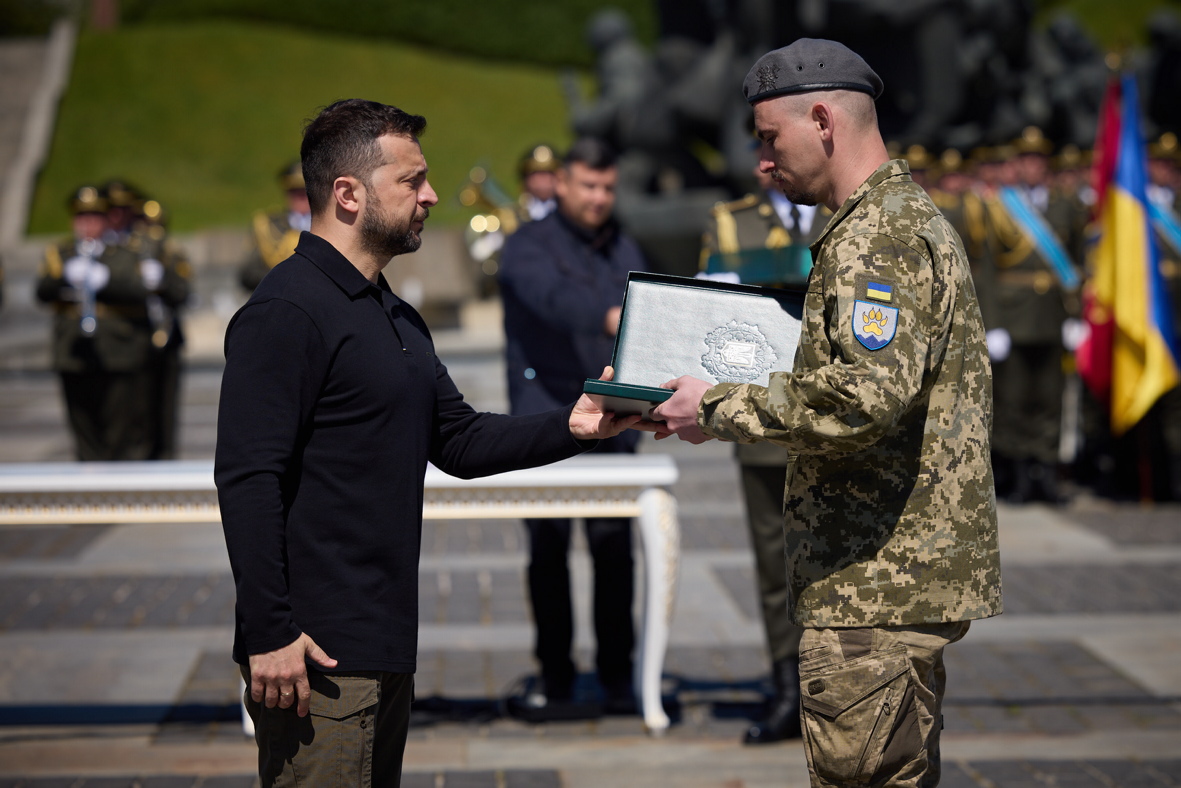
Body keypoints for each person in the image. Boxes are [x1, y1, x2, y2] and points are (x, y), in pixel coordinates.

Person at [215, 99, 638, 788]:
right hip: (313, 654)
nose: (431, 195)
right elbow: (247, 478)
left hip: (382, 641)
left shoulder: (391, 313)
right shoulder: (286, 311)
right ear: (348, 194)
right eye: (412, 181)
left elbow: (460, 439)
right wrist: (268, 634)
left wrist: (575, 422)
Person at [643, 40, 1003, 786]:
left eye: (769, 138)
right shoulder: (882, 222)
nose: (760, 161)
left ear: (821, 119)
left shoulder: (878, 236)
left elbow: (859, 399)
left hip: (873, 583)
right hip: (883, 577)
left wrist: (714, 406)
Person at [497, 137, 646, 720]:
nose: (598, 198)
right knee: (549, 554)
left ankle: (617, 676)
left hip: (613, 422)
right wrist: (611, 313)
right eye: (588, 185)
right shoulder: (527, 246)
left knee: (615, 556)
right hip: (547, 421)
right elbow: (550, 299)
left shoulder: (623, 243)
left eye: (607, 187)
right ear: (561, 183)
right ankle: (555, 675)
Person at [699, 161, 830, 745]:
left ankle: (836, 685)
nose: (767, 163)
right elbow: (716, 313)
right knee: (775, 560)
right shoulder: (730, 224)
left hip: (834, 417)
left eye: (776, 143)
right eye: (760, 149)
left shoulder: (841, 212)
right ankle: (789, 687)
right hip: (760, 412)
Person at [35, 185, 160, 461]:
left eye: (95, 217)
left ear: (106, 220)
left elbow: (142, 290)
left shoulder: (126, 252)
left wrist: (107, 281)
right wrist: (64, 278)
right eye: (81, 218)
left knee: (121, 432)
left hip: (118, 354)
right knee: (84, 432)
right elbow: (41, 291)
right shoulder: (62, 253)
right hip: (74, 353)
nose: (88, 224)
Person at [238, 161, 311, 291]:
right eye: (295, 191)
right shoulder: (266, 225)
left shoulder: (334, 223)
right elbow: (248, 273)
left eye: (305, 191)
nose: (301, 197)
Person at [516, 143, 561, 221]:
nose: (543, 178)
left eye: (550, 172)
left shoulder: (573, 214)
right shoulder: (513, 218)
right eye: (536, 172)